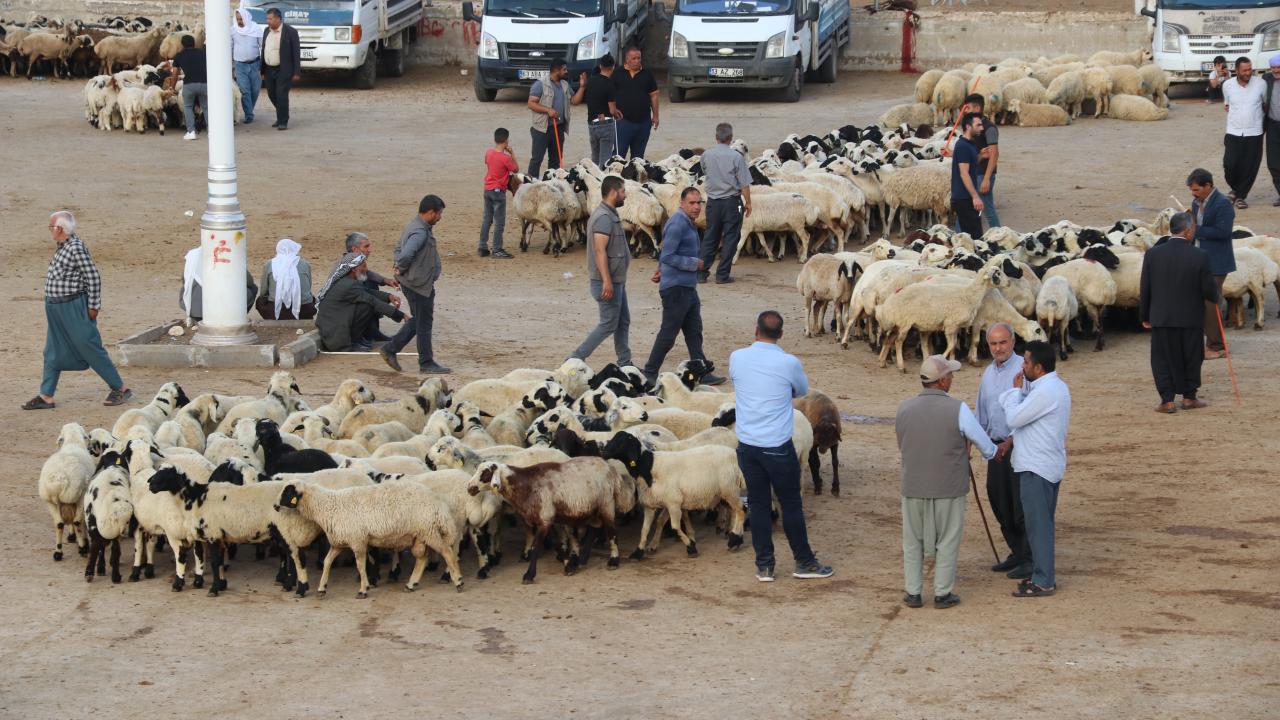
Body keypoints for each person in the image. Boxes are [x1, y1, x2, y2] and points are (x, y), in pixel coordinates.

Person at [730, 311, 832, 583]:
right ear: (782, 334)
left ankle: (764, 565)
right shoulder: (788, 362)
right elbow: (801, 391)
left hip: (748, 445)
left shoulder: (737, 357)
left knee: (758, 503)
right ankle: (804, 561)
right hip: (776, 445)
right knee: (790, 504)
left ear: (756, 330)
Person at [895, 355, 998, 609]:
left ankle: (913, 592)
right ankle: (942, 593)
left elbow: (903, 444)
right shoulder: (958, 409)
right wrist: (994, 451)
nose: (952, 379)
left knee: (912, 541)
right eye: (949, 375)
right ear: (941, 382)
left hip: (913, 485)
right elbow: (985, 446)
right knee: (948, 539)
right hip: (949, 486)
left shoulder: (904, 408)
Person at [24, 211, 132, 410]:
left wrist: (94, 306)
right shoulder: (64, 247)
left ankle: (120, 388)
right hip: (56, 309)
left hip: (73, 308)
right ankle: (46, 395)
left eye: (51, 226)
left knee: (89, 346)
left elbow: (93, 277)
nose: (50, 230)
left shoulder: (75, 247)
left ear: (60, 229)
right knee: (52, 351)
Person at [1000, 340, 1071, 598]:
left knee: (1038, 526)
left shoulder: (1045, 391)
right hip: (1043, 464)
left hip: (1036, 467)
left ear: (1039, 368)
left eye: (1027, 362)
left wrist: (1013, 392)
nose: (1023, 366)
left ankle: (1043, 581)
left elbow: (1013, 418)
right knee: (1040, 524)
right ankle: (1042, 576)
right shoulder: (1054, 387)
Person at [641, 187, 725, 386]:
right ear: (682, 203)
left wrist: (661, 270)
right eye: (692, 203)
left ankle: (701, 371)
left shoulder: (687, 222)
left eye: (699, 203)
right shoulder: (677, 223)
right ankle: (650, 371)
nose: (696, 207)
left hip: (686, 287)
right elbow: (668, 255)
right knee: (669, 333)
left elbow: (668, 253)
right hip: (676, 289)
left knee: (694, 331)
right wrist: (693, 263)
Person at [1140, 212, 1219, 413]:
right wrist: (1215, 296)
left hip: (1162, 317)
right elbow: (1209, 290)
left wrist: (1145, 316)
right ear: (1188, 230)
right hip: (1191, 317)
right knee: (1192, 357)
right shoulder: (1200, 255)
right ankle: (1189, 397)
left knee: (1162, 359)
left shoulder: (1153, 254)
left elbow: (1145, 288)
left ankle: (1167, 401)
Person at [976, 323, 1031, 580]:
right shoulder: (988, 373)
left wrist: (1009, 441)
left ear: (1013, 342)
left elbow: (1030, 412)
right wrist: (976, 441)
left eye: (1003, 342)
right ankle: (1016, 551)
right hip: (994, 448)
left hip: (1019, 447)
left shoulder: (1025, 369)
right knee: (998, 498)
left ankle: (1029, 557)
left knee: (1020, 503)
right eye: (993, 344)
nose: (998, 348)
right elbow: (982, 413)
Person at [379, 195, 449, 374]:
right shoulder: (419, 232)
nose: (440, 218)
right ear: (431, 212)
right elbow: (406, 254)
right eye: (439, 214)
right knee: (423, 323)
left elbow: (398, 248)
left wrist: (398, 268)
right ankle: (425, 361)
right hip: (418, 285)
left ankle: (392, 349)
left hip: (415, 283)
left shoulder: (413, 226)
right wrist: (400, 268)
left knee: (420, 320)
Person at [569, 176, 632, 366]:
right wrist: (607, 281)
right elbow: (599, 250)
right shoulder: (603, 217)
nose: (625, 195)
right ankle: (574, 358)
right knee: (608, 324)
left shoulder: (609, 214)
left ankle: (625, 363)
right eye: (622, 191)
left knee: (622, 321)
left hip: (615, 281)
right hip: (607, 282)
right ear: (613, 192)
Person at [1187, 168, 1237, 359]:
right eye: (1192, 190)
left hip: (1216, 262)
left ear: (1208, 185)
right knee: (1201, 302)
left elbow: (1224, 232)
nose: (1193, 194)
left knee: (1211, 303)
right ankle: (1211, 342)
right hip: (1199, 259)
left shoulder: (1223, 203)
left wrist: (1196, 230)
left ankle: (1216, 346)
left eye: (1197, 190)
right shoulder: (1196, 202)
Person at [314, 252, 406, 352]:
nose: (366, 269)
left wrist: (389, 296)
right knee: (368, 305)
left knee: (365, 305)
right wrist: (401, 315)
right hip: (334, 334)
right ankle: (352, 342)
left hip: (334, 325)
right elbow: (372, 301)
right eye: (363, 266)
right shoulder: (349, 284)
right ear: (354, 269)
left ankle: (357, 340)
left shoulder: (348, 281)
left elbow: (367, 292)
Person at [698, 122, 752, 285]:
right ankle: (722, 275)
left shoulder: (706, 155)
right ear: (730, 138)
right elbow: (744, 184)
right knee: (731, 237)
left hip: (713, 202)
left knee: (710, 236)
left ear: (716, 137)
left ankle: (701, 273)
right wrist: (748, 202)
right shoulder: (736, 157)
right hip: (732, 203)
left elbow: (705, 171)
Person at [527, 58, 585, 176]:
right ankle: (531, 183)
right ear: (556, 70)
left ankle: (552, 182)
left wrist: (582, 87)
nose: (566, 71)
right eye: (564, 69)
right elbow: (531, 103)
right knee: (537, 159)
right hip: (542, 129)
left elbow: (575, 101)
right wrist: (548, 110)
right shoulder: (540, 84)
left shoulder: (565, 84)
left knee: (555, 159)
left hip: (558, 128)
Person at [1221, 56, 1265, 209]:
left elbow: (1265, 104)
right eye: (1244, 70)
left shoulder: (1261, 84)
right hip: (1233, 131)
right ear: (1236, 71)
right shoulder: (1227, 85)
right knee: (1230, 164)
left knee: (1250, 166)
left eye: (1250, 69)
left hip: (1255, 132)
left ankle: (1240, 196)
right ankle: (1235, 189)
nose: (1248, 73)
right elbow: (1227, 105)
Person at [340, 231, 399, 342]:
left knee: (371, 284)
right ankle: (365, 334)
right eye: (366, 246)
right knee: (369, 294)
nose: (370, 250)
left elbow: (366, 273)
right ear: (355, 249)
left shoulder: (354, 260)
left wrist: (384, 280)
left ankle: (373, 330)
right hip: (344, 307)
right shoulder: (347, 263)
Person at [179, 247, 258, 321]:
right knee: (252, 289)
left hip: (194, 313)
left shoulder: (193, 256)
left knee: (189, 286)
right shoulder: (229, 255)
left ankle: (194, 318)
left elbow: (185, 279)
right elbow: (249, 282)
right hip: (221, 314)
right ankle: (235, 319)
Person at [960, 93, 1000, 229]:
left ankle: (1000, 236)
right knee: (966, 209)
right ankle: (960, 237)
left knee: (988, 211)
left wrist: (986, 179)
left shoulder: (989, 128)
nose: (965, 111)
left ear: (977, 108)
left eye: (967, 108)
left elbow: (994, 154)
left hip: (983, 175)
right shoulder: (972, 127)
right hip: (973, 174)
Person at [612, 46, 659, 159]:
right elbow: (609, 95)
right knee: (618, 156)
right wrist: (612, 110)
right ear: (627, 59)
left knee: (638, 158)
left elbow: (654, 96)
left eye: (639, 58)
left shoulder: (647, 74)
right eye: (634, 58)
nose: (637, 61)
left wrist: (656, 116)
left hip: (643, 123)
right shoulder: (617, 73)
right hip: (623, 122)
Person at [261, 8, 301, 131]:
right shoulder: (266, 31)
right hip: (269, 69)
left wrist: (296, 72)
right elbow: (264, 50)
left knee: (281, 94)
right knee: (272, 94)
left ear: (278, 18)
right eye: (267, 18)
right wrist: (262, 70)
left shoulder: (290, 32)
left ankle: (283, 121)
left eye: (270, 19)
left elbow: (296, 53)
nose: (268, 21)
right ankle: (281, 115)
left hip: (283, 69)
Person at [480, 128, 517, 259]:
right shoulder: (505, 158)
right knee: (499, 222)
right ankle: (497, 249)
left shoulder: (489, 153)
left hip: (487, 189)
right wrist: (512, 153)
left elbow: (488, 163)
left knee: (487, 219)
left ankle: (482, 246)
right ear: (506, 141)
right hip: (498, 191)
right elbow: (515, 169)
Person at [256, 238, 315, 320]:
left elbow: (263, 292)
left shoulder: (269, 264)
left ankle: (273, 317)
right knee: (312, 298)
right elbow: (308, 286)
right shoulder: (305, 264)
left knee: (259, 301)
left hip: (277, 311)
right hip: (304, 310)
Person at [580, 54, 620, 167]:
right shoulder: (610, 84)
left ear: (600, 66)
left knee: (595, 159)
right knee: (605, 160)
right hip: (605, 124)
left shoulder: (591, 81)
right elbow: (612, 110)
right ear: (613, 67)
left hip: (592, 123)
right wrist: (617, 113)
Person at [951, 112, 985, 237]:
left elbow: (970, 165)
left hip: (966, 197)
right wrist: (975, 197)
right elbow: (964, 173)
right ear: (968, 127)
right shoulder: (963, 146)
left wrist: (981, 156)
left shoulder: (970, 144)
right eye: (978, 125)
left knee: (972, 236)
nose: (982, 128)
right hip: (964, 198)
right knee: (975, 237)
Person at [171, 34, 207, 141]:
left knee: (188, 107)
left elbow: (175, 74)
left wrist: (172, 87)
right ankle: (212, 131)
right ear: (194, 43)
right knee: (206, 107)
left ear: (182, 45)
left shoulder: (179, 56)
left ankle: (191, 132)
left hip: (189, 84)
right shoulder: (203, 53)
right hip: (204, 83)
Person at [231, 8, 262, 124]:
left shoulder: (256, 29)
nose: (239, 21)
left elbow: (262, 46)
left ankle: (249, 110)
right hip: (240, 65)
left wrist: (263, 64)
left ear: (246, 18)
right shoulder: (233, 30)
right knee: (245, 91)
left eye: (241, 19)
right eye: (238, 19)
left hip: (255, 64)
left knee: (255, 90)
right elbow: (230, 47)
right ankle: (249, 115)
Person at [1262, 55, 1280, 205]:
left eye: (1279, 67)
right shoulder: (1266, 79)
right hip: (1273, 125)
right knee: (1273, 162)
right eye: (1273, 68)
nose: (1276, 70)